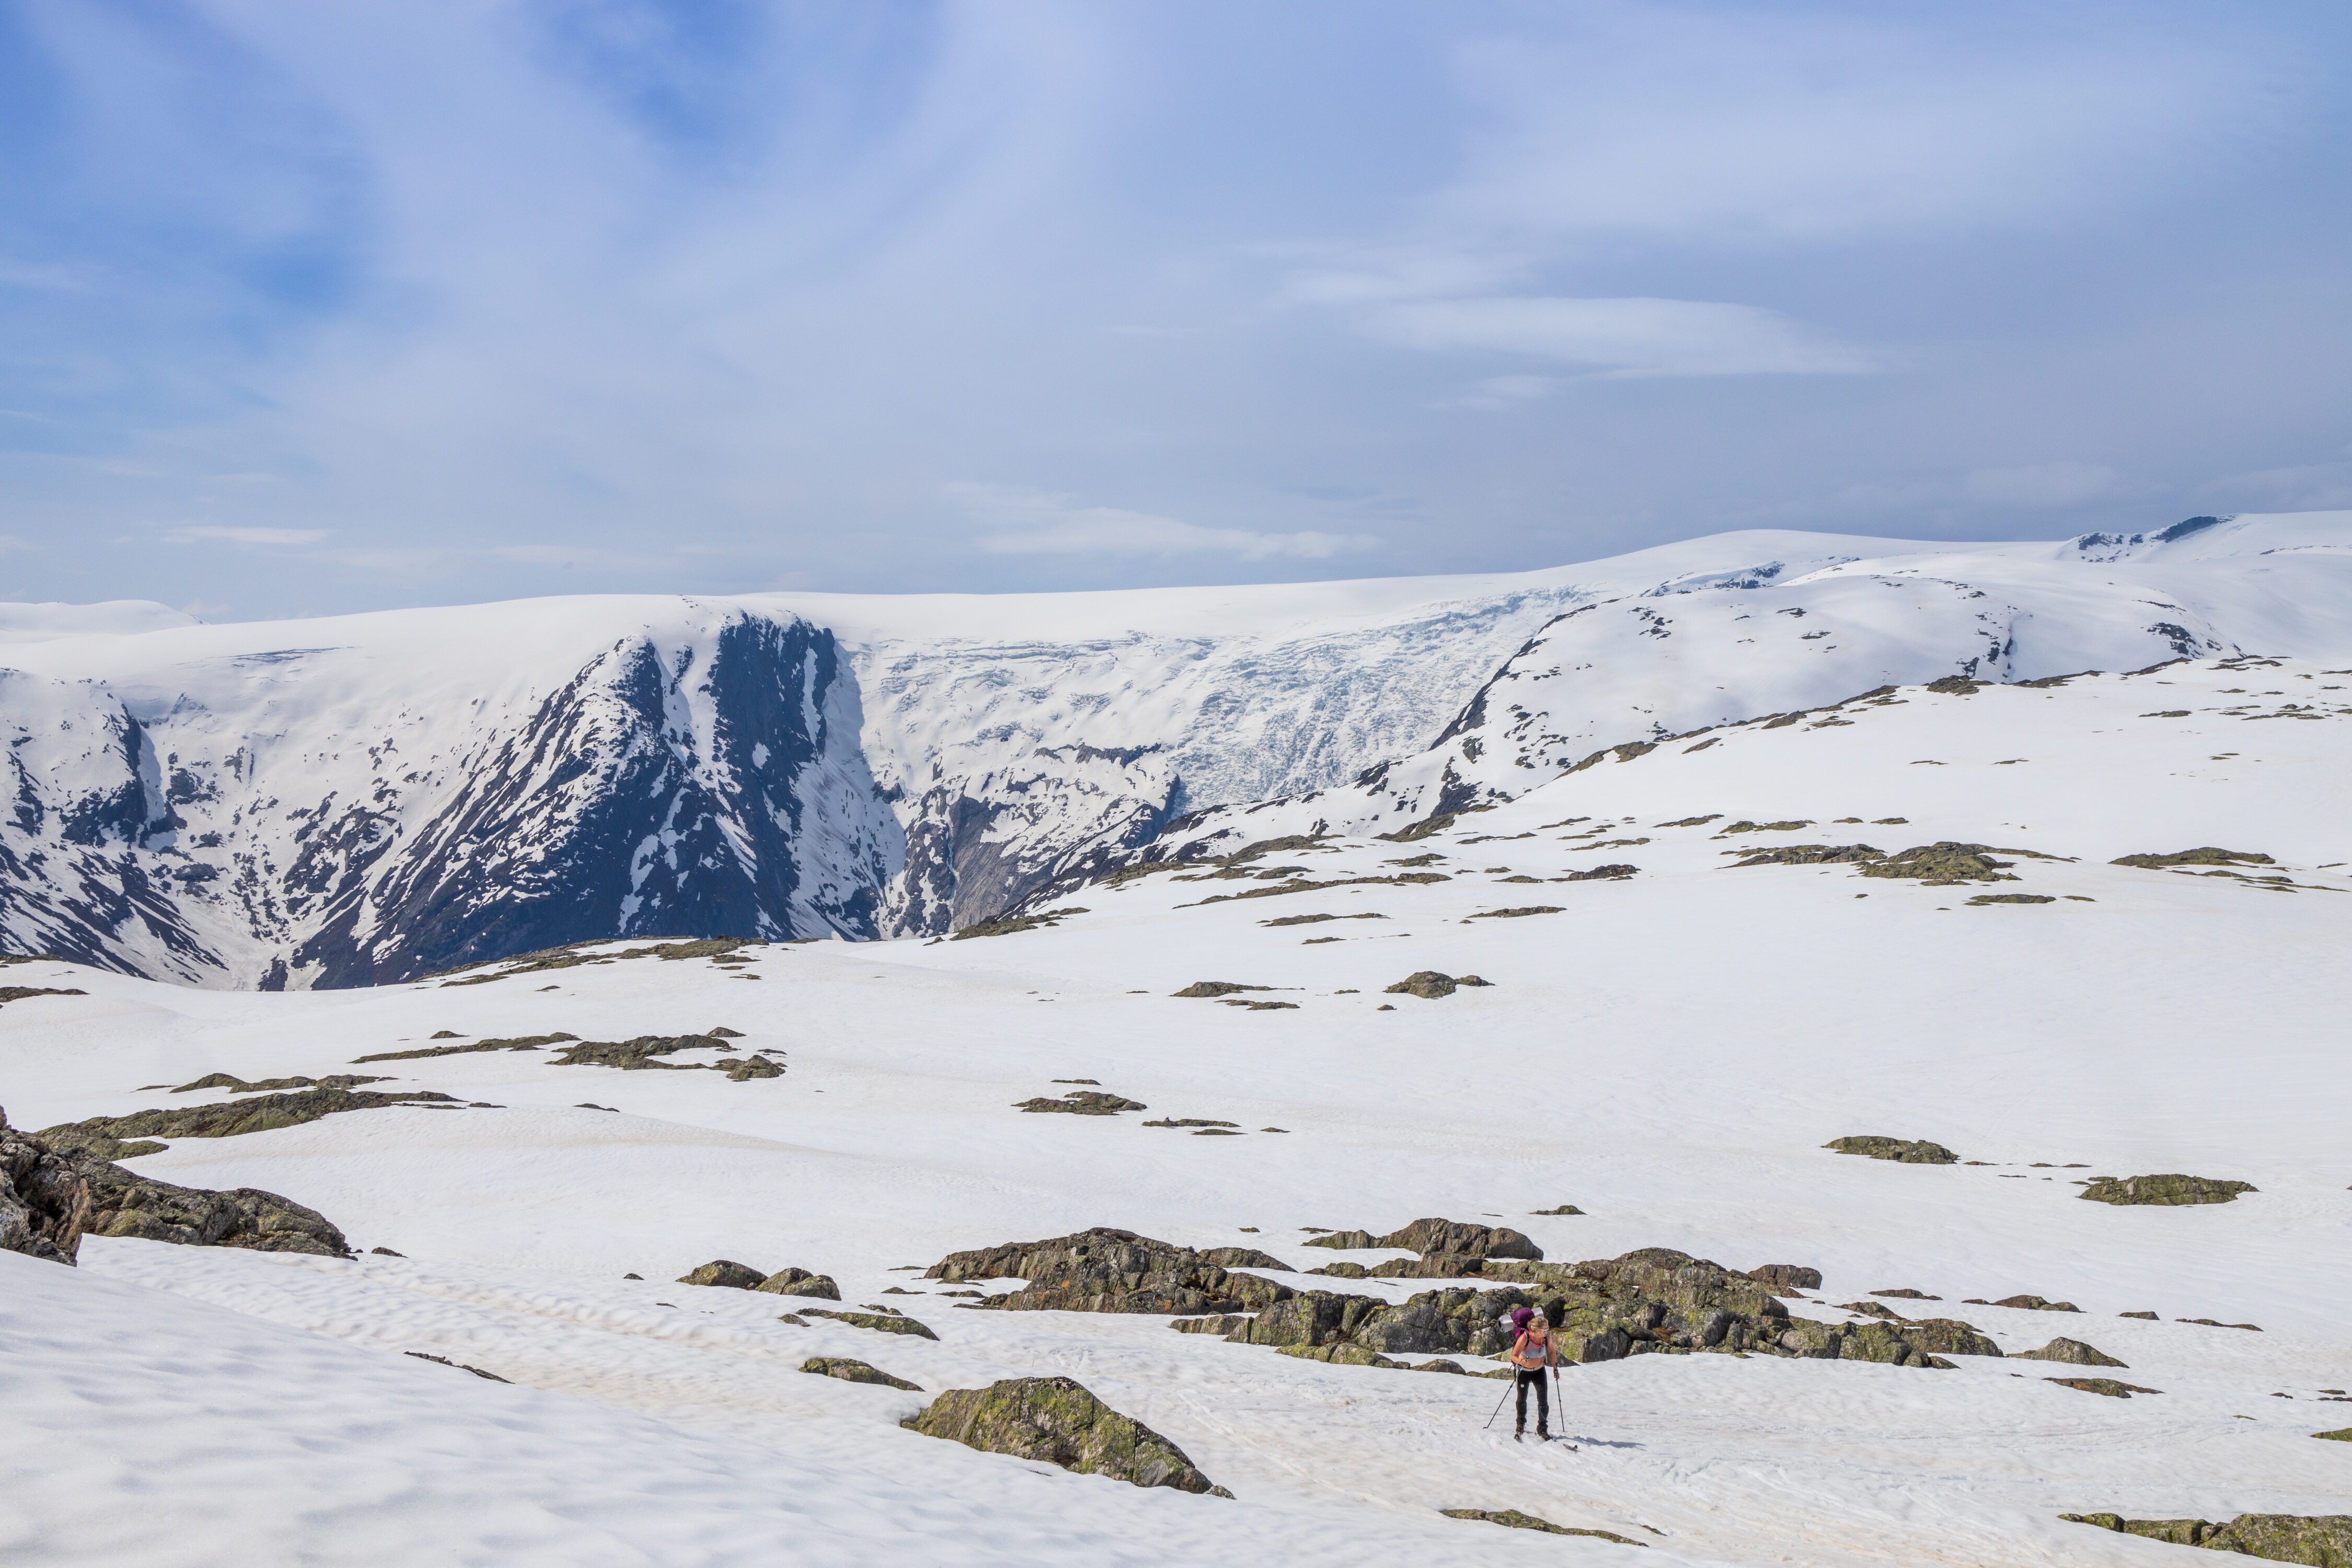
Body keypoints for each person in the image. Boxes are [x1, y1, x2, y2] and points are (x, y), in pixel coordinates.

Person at [1509, 1307, 1559, 1439]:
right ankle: (1520, 1425)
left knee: (1543, 1401)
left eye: (1548, 1329)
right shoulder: (1525, 1338)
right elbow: (1513, 1356)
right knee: (1522, 1399)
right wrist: (1521, 1361)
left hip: (1539, 1372)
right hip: (1523, 1373)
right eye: (1545, 1330)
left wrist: (1555, 1368)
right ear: (1537, 1330)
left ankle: (1542, 1429)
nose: (1547, 1332)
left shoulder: (1546, 1339)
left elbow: (1552, 1352)